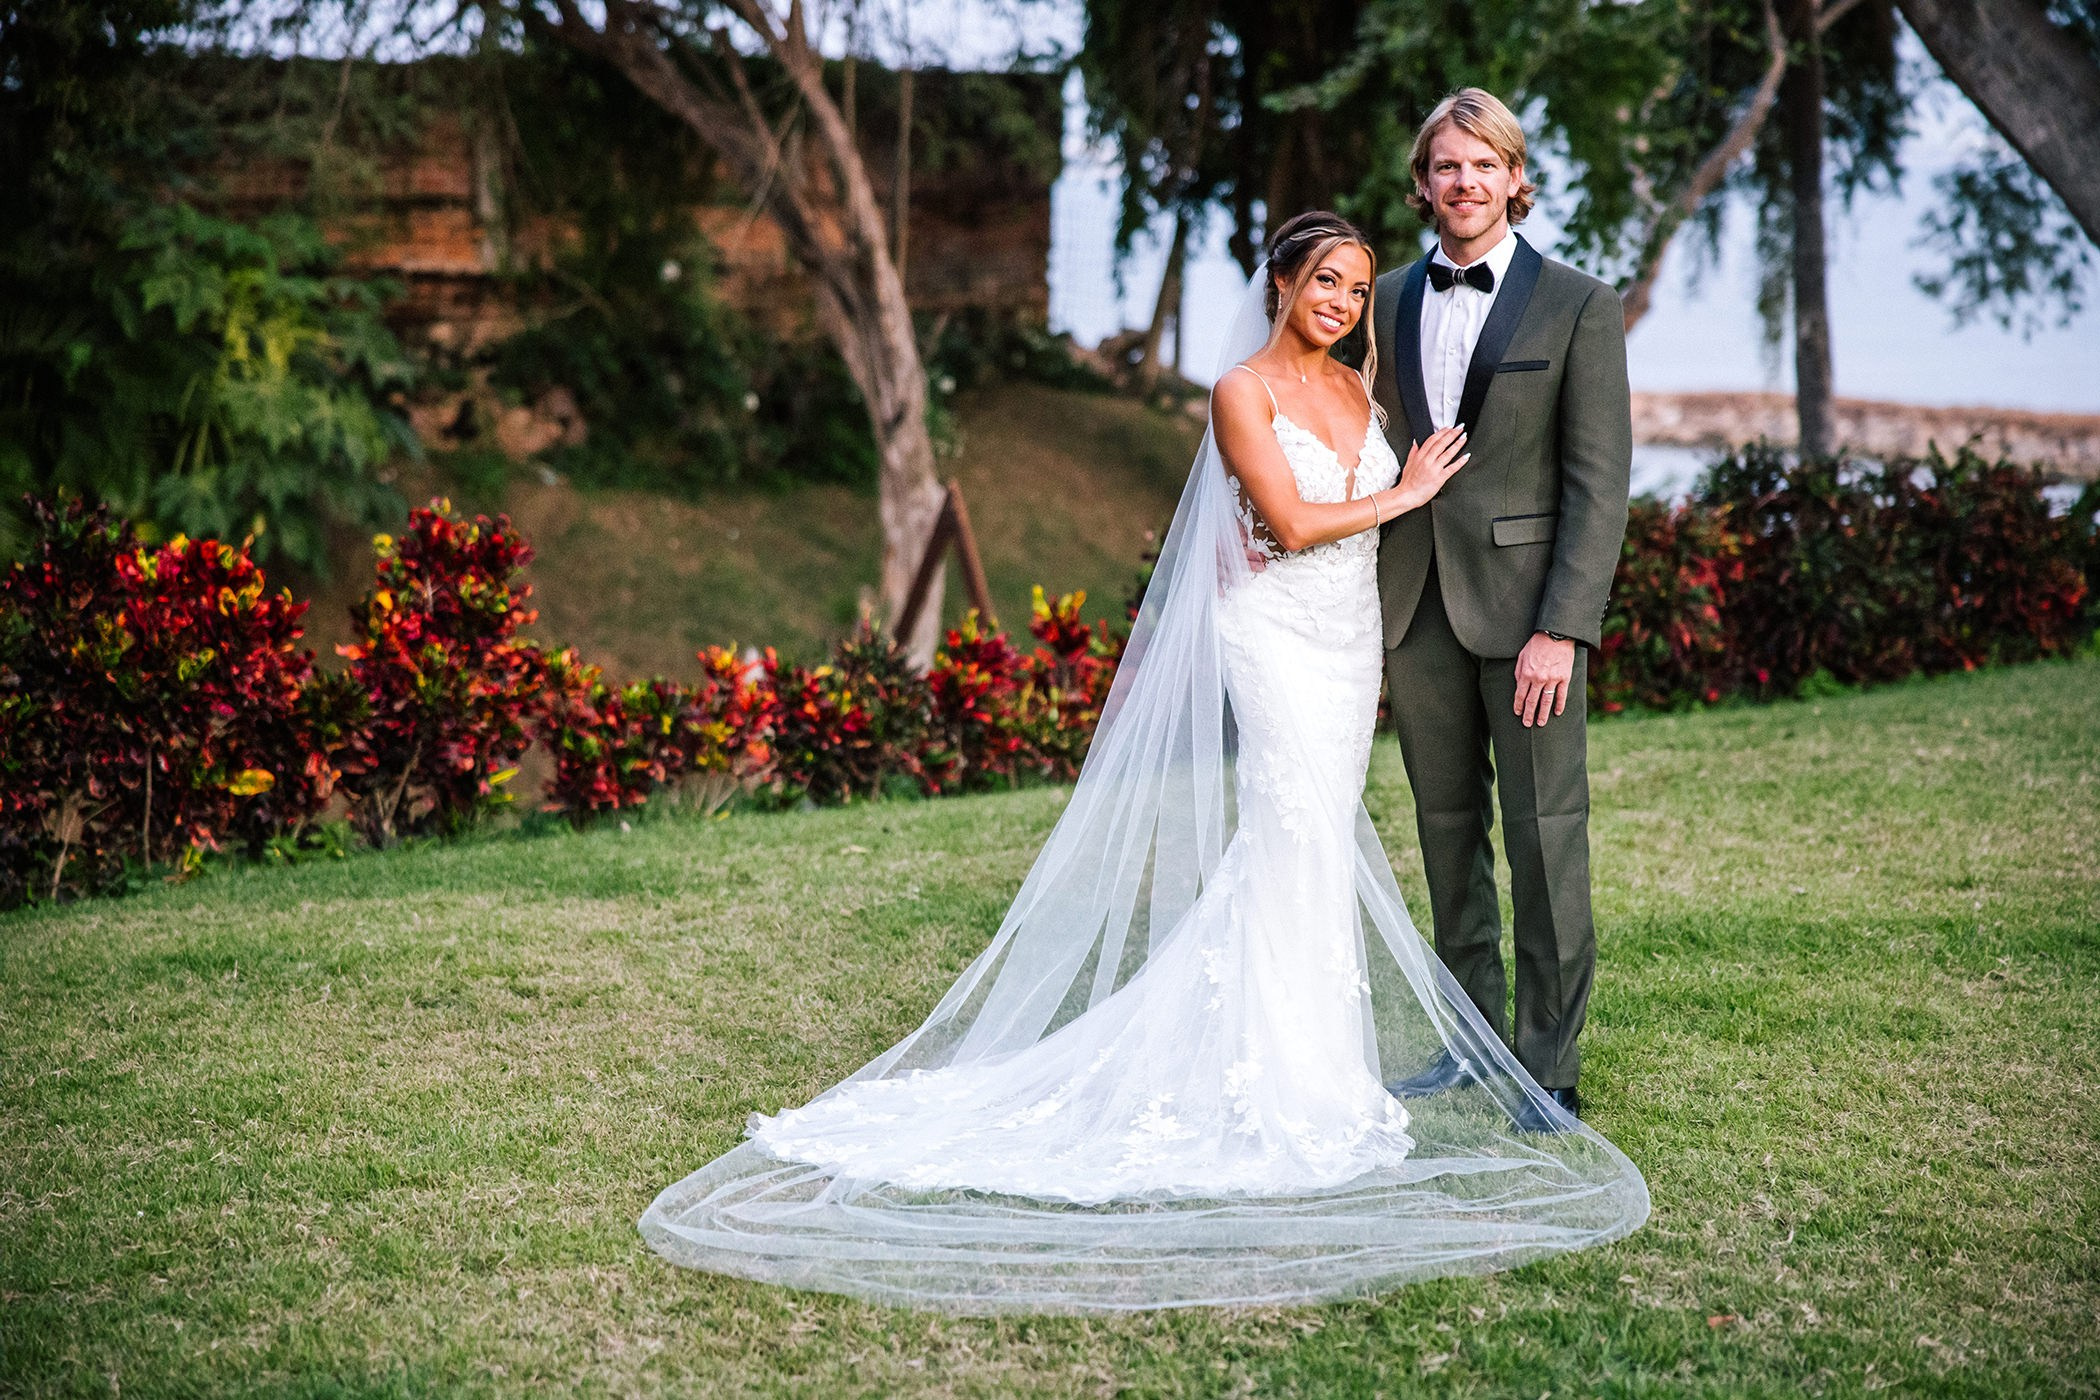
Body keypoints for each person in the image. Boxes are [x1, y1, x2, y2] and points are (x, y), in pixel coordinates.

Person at [637, 210, 1648, 1314]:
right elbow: (1291, 521)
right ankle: (1282, 1078)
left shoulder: (1364, 387)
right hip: (1278, 635)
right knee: (1296, 828)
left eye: (1358, 287)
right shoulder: (1239, 392)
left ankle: (1321, 1062)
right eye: (1325, 281)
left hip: (1353, 636)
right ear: (1278, 283)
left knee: (1311, 840)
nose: (1345, 302)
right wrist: (1402, 494)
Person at [1369, 90, 1634, 1124]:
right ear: (1423, 183)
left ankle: (1548, 1065)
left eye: (1485, 166)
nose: (1465, 184)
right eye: (1446, 166)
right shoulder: (1384, 297)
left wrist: (1562, 628)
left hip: (1530, 619)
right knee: (1446, 834)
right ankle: (1470, 1042)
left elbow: (1598, 482)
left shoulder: (1580, 303)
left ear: (1515, 179)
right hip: (1414, 605)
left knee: (1544, 833)